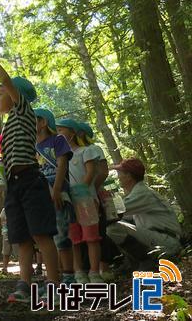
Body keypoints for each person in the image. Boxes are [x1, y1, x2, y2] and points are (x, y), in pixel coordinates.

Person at [0, 52, 60, 303]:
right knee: (22, 238)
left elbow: (7, 81)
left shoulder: (23, 110)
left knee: (41, 234)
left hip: (31, 180)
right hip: (15, 185)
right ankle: (24, 285)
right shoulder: (8, 124)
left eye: (0, 93)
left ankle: (54, 286)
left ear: (14, 95)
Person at [107, 158, 182, 271]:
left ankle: (146, 260)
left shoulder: (142, 193)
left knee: (114, 228)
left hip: (166, 243)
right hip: (160, 239)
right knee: (115, 225)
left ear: (129, 176)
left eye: (120, 173)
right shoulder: (139, 192)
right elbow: (119, 217)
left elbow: (114, 212)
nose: (118, 177)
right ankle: (133, 262)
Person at [56, 118, 103, 284]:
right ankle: (78, 272)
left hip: (85, 200)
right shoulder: (60, 156)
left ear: (72, 132)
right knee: (73, 237)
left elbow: (90, 173)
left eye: (61, 130)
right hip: (68, 202)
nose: (58, 133)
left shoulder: (86, 151)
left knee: (91, 237)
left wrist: (82, 191)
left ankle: (94, 272)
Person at [34, 108, 76, 285]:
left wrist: (57, 189)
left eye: (33, 120)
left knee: (62, 235)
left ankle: (68, 276)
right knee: (45, 236)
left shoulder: (57, 141)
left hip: (58, 193)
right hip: (40, 195)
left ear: (43, 122)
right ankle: (54, 276)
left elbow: (62, 165)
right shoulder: (31, 146)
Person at [77, 121, 118, 282]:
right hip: (80, 196)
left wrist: (91, 189)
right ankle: (86, 269)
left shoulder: (93, 149)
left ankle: (104, 267)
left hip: (94, 194)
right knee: (82, 232)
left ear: (80, 133)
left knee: (99, 230)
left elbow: (102, 172)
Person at [0, 207, 18, 275]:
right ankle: (5, 268)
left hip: (16, 232)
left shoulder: (18, 208)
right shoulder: (4, 209)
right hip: (6, 233)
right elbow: (2, 220)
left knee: (18, 252)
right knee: (5, 252)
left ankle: (24, 268)